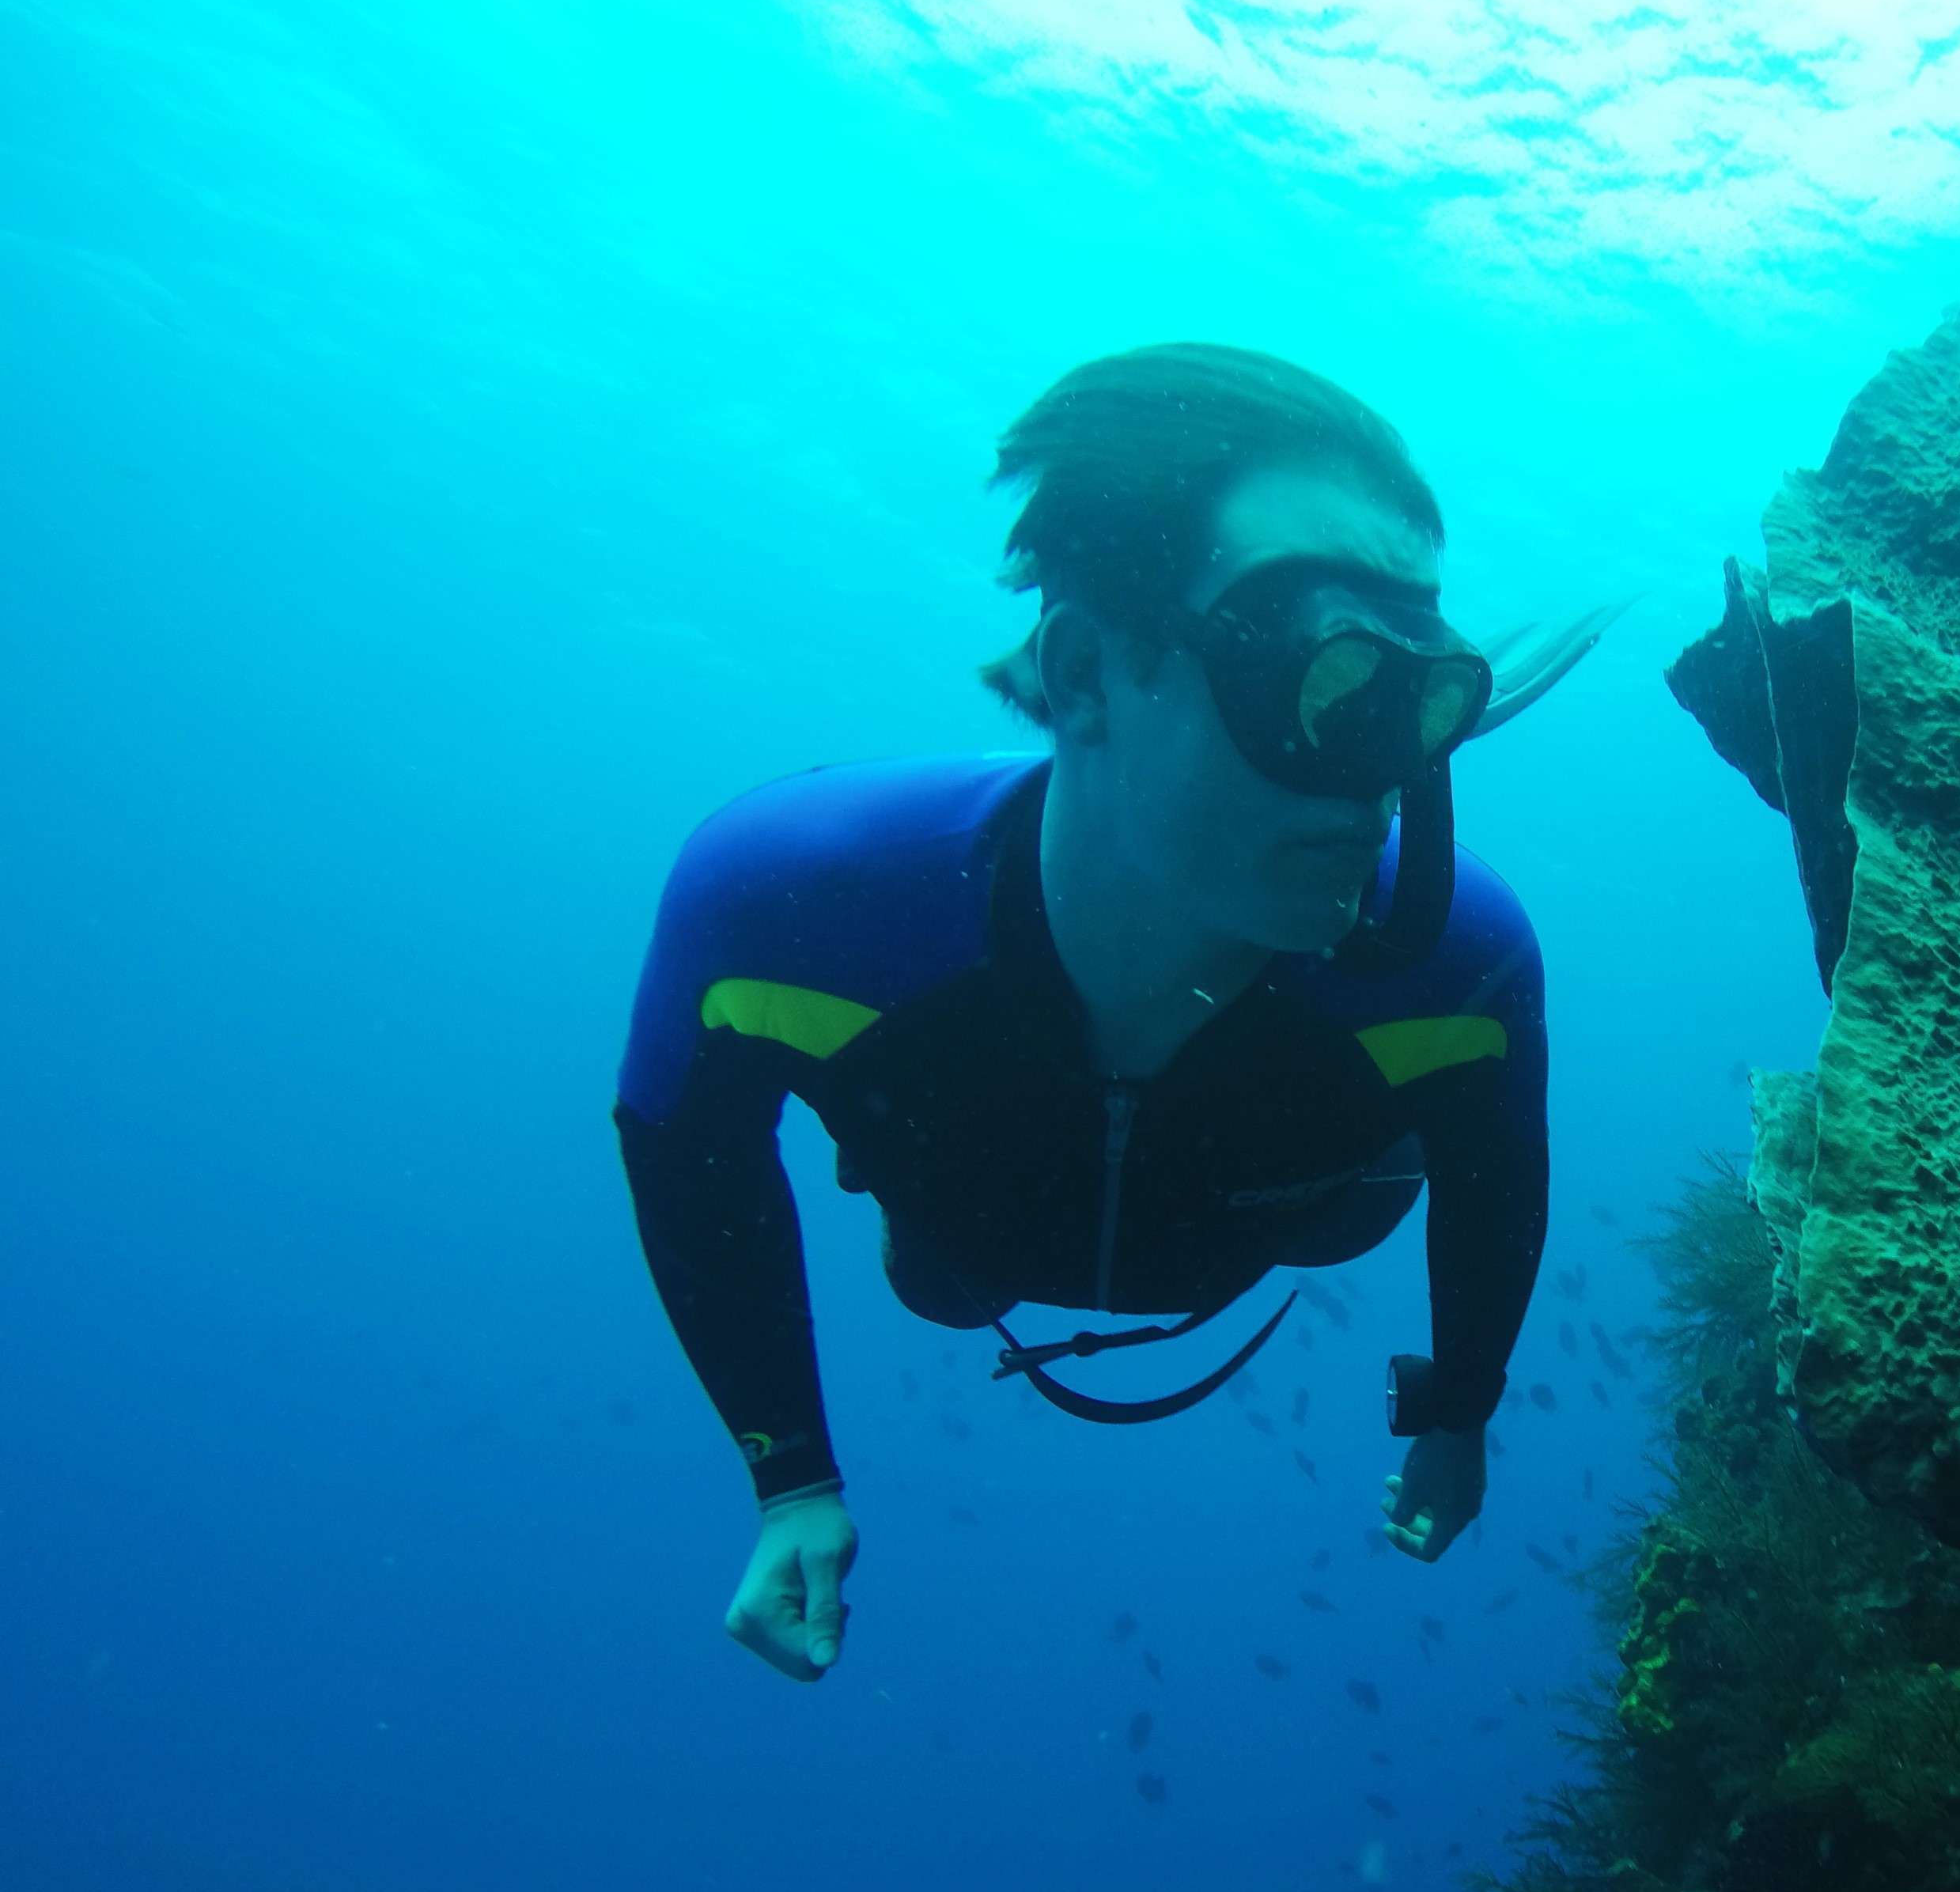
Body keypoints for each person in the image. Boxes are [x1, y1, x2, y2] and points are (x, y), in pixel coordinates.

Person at [613, 343, 1622, 1682]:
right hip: (970, 1224)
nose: (1379, 776)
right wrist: (789, 1477)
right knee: (942, 1281)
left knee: (1373, 1180)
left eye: (1416, 693)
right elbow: (688, 1155)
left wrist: (1457, 1414)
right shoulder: (788, 908)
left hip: (1291, 1205)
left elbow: (1498, 1178)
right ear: (1084, 671)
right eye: (1323, 679)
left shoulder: (1460, 962)